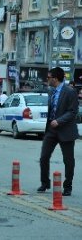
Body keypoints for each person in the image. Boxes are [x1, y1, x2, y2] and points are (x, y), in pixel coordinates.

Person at [38, 67, 78, 196]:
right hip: (51, 130)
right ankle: (45, 183)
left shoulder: (70, 92)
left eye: (49, 77)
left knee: (68, 160)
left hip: (65, 130)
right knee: (44, 157)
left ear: (55, 79)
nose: (47, 79)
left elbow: (72, 112)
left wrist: (59, 121)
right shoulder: (51, 91)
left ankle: (67, 186)